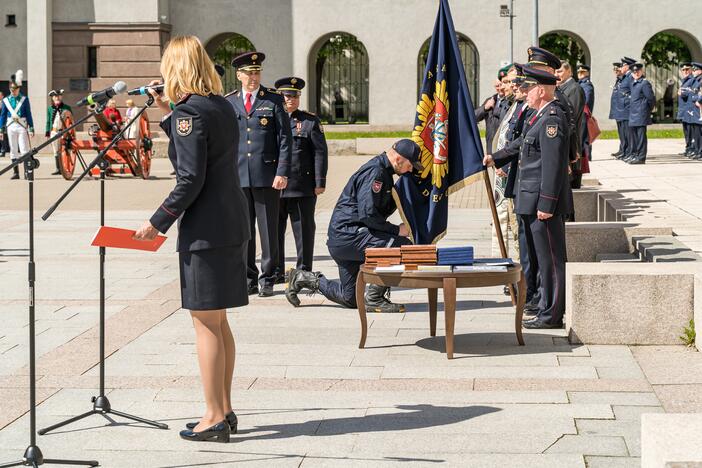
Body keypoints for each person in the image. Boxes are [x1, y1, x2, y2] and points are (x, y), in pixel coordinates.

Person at [133, 35, 250, 443]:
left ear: (175, 69)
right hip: (231, 221)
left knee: (205, 323)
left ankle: (214, 416)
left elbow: (189, 177)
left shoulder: (190, 113)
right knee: (218, 321)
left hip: (205, 230)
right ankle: (226, 409)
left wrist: (157, 221)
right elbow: (204, 152)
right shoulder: (219, 106)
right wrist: (170, 114)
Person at [285, 139, 423, 313]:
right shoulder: (376, 172)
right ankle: (375, 298)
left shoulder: (383, 172)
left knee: (350, 298)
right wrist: (397, 230)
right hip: (350, 236)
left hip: (344, 239)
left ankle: (303, 278)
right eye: (410, 166)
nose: (410, 170)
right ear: (399, 159)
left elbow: (376, 209)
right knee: (402, 247)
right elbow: (368, 215)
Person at [485, 66, 572, 329]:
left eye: (529, 88)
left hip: (542, 203)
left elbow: (553, 166)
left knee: (551, 261)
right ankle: (545, 308)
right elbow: (522, 143)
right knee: (542, 260)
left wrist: (547, 203)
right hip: (531, 199)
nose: (524, 92)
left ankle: (552, 314)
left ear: (542, 90)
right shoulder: (538, 115)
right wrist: (495, 157)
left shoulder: (552, 119)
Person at [225, 51, 292, 297]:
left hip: (267, 175)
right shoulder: (230, 101)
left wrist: (282, 171)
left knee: (268, 229)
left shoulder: (273, 100)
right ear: (239, 75)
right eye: (249, 73)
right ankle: (249, 277)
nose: (254, 77)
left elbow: (285, 139)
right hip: (239, 175)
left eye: (257, 72)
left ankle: (268, 277)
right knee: (245, 229)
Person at [273, 76, 328, 280]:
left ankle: (304, 270)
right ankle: (276, 270)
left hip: (301, 186)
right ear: (280, 97)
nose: (291, 100)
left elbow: (320, 152)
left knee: (304, 229)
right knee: (274, 231)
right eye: (287, 96)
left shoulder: (309, 121)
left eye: (295, 96)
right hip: (275, 186)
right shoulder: (270, 119)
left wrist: (319, 181)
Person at [0, 71, 34, 180]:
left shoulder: (25, 99)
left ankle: (26, 172)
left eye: (15, 89)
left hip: (22, 126)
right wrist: (1, 129)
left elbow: (28, 114)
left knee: (24, 149)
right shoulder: (5, 100)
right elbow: (3, 115)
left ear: (19, 89)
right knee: (13, 149)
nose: (13, 91)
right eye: (11, 89)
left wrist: (31, 127)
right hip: (11, 126)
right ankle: (16, 173)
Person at [475, 66, 511, 156]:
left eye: (501, 85)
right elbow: (474, 117)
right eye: (497, 86)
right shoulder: (491, 100)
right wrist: (485, 108)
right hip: (490, 148)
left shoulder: (510, 101)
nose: (500, 88)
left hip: (503, 148)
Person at [625, 63, 655, 164]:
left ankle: (641, 157)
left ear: (642, 71)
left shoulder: (644, 83)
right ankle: (636, 155)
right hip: (633, 113)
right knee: (634, 137)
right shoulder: (634, 82)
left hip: (641, 114)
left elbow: (651, 99)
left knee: (641, 137)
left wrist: (646, 110)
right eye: (634, 72)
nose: (636, 73)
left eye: (638, 71)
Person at [45, 89, 72, 175]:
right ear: (52, 98)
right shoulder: (49, 109)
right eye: (55, 96)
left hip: (63, 132)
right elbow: (48, 121)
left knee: (64, 150)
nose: (57, 98)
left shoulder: (67, 108)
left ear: (61, 97)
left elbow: (71, 121)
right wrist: (47, 132)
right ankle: (58, 168)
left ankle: (64, 167)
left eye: (58, 96)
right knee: (55, 150)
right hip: (54, 131)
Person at [618, 56, 637, 160]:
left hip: (628, 109)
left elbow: (632, 93)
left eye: (623, 65)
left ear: (628, 66)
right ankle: (627, 152)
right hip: (623, 109)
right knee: (625, 132)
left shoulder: (630, 77)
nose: (622, 67)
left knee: (630, 134)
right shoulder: (626, 76)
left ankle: (631, 152)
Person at [609, 62, 627, 158]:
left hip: (623, 110)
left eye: (618, 70)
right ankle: (622, 149)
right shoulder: (618, 80)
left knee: (624, 132)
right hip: (618, 110)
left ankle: (625, 150)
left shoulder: (624, 80)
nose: (616, 72)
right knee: (621, 132)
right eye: (615, 70)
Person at [677, 63, 694, 157]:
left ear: (691, 70)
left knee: (690, 131)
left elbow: (689, 92)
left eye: (687, 69)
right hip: (684, 110)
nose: (685, 71)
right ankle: (688, 148)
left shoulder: (691, 80)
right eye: (683, 70)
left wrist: (681, 92)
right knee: (686, 131)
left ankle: (692, 148)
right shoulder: (685, 80)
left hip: (689, 110)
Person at [686, 63, 702, 159]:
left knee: (700, 132)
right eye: (694, 70)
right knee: (696, 132)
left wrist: (697, 100)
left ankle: (700, 151)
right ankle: (697, 150)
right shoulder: (696, 80)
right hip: (694, 109)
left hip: (699, 108)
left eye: (696, 70)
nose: (694, 71)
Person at [0, 92, 8, 158]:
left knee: (2, 136)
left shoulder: (4, 102)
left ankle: (3, 151)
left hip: (3, 122)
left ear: (2, 96)